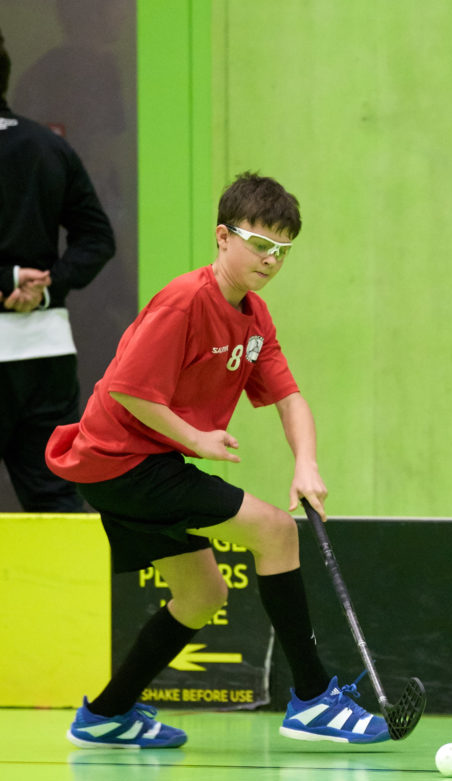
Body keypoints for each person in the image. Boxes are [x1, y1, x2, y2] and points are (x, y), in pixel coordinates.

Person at [46, 172, 389, 748]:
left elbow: (288, 395)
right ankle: (311, 699)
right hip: (123, 459)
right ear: (223, 237)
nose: (271, 260)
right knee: (276, 531)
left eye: (283, 250)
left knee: (203, 595)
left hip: (134, 467)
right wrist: (198, 439)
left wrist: (306, 464)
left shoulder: (254, 316)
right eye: (260, 244)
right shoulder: (185, 299)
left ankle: (106, 714)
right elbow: (128, 387)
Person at [0, 18, 115, 511]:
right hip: (46, 352)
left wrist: (2, 283)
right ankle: (69, 593)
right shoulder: (50, 146)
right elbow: (97, 239)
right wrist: (44, 285)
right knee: (55, 499)